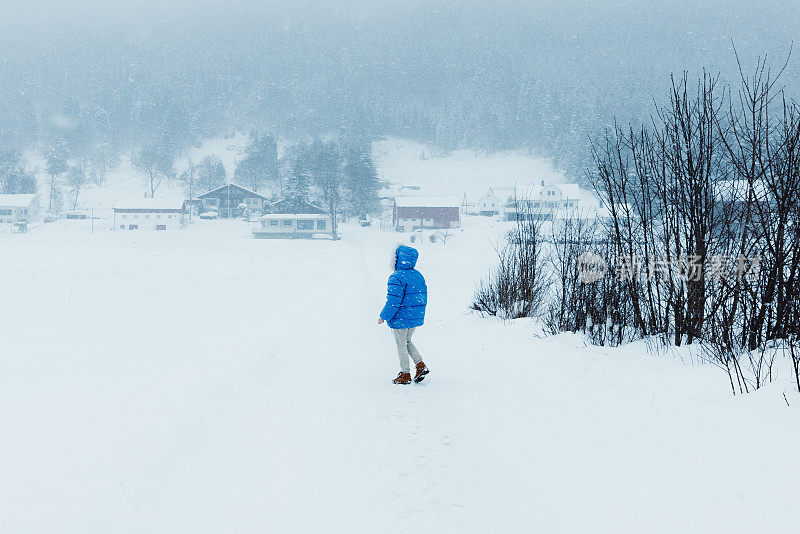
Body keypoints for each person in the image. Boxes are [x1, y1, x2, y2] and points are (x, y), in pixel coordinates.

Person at [378, 245, 430, 385]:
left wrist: (384, 316)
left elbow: (393, 301)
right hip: (414, 317)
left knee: (401, 344)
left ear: (398, 260)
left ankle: (405, 373)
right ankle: (420, 365)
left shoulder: (397, 277)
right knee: (407, 341)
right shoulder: (418, 275)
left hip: (401, 318)